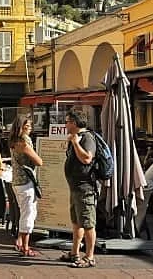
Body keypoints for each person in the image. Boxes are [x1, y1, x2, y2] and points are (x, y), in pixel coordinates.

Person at [62, 109, 97, 269]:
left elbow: (87, 158)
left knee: (88, 223)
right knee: (77, 222)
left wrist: (76, 143)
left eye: (67, 121)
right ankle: (74, 252)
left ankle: (89, 257)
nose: (65, 125)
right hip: (75, 187)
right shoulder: (76, 137)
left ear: (74, 123)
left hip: (84, 188)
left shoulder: (87, 137)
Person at [9, 115, 43, 258]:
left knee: (24, 212)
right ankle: (25, 247)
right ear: (21, 127)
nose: (30, 129)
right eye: (27, 126)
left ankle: (20, 241)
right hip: (25, 182)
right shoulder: (23, 142)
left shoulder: (13, 141)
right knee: (28, 214)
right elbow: (39, 161)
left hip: (17, 181)